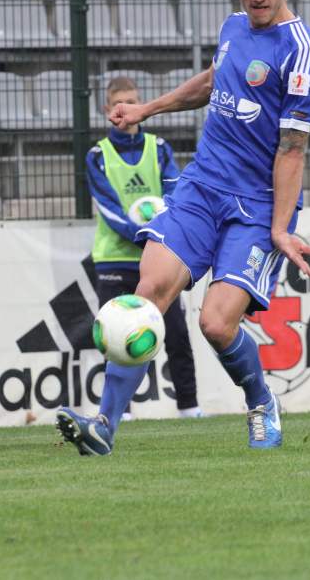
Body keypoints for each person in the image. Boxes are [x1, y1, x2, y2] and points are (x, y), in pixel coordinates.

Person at [56, 0, 310, 456]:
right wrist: (144, 110)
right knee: (149, 290)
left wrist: (279, 228)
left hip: (257, 205)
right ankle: (103, 427)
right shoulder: (232, 27)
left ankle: (260, 400)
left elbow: (293, 149)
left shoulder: (301, 51)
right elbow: (212, 81)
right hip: (202, 186)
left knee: (215, 323)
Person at [85, 75, 203, 422]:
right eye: (120, 103)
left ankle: (189, 407)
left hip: (157, 255)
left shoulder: (159, 147)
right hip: (115, 257)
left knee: (177, 333)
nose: (127, 108)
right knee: (116, 335)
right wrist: (147, 230)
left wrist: (160, 229)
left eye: (134, 101)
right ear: (108, 110)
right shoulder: (98, 155)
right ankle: (120, 412)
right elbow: (108, 209)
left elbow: (175, 191)